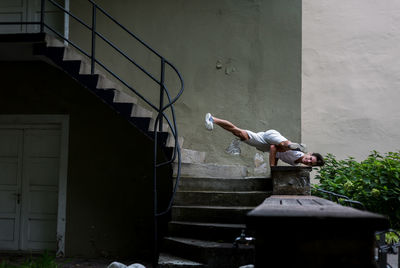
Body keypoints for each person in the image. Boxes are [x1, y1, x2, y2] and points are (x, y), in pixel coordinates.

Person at [205, 113, 324, 167]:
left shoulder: (294, 163)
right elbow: (274, 148)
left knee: (238, 132)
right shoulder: (298, 154)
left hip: (264, 142)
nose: (308, 161)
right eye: (310, 158)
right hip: (272, 139)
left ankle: (212, 119)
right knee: (283, 144)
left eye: (310, 163)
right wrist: (273, 168)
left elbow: (277, 155)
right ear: (309, 154)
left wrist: (275, 165)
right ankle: (290, 145)